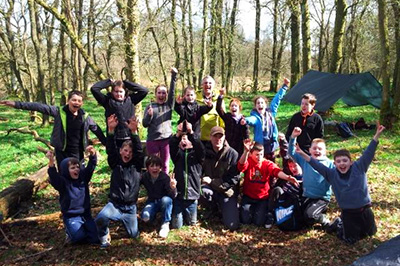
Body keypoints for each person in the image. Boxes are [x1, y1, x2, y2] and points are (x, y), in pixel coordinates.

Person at [295, 123, 385, 244]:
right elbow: (315, 164)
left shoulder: (359, 167)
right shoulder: (331, 174)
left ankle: (349, 224)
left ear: (351, 162)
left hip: (365, 211)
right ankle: (339, 224)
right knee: (350, 240)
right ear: (334, 164)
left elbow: (369, 152)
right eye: (338, 161)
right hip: (348, 213)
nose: (342, 164)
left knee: (370, 234)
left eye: (345, 161)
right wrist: (301, 153)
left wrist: (377, 135)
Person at [0, 91, 106, 168]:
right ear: (68, 101)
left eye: (79, 101)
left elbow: (97, 130)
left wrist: (107, 143)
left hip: (77, 153)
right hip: (62, 152)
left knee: (79, 177)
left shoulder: (85, 117)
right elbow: (38, 106)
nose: (76, 103)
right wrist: (16, 104)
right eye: (74, 100)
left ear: (82, 103)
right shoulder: (58, 112)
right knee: (64, 177)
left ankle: (80, 198)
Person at [95, 114, 144, 247]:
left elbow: (139, 150)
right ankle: (104, 236)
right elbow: (111, 150)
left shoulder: (137, 166)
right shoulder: (115, 163)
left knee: (134, 235)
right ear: (121, 151)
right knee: (100, 218)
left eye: (130, 152)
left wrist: (134, 132)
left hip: (130, 208)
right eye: (125, 151)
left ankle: (128, 223)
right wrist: (110, 131)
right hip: (114, 205)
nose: (127, 154)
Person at [238, 139, 299, 228]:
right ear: (251, 154)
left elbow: (276, 171)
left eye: (261, 154)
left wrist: (287, 177)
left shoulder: (267, 163)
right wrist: (246, 152)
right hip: (248, 197)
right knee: (245, 220)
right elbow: (241, 166)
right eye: (257, 155)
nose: (259, 157)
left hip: (262, 198)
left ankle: (265, 212)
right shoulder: (249, 161)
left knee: (258, 222)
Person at [46, 146, 99, 244]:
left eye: (77, 167)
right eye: (72, 168)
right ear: (66, 170)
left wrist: (93, 154)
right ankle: (70, 232)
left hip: (85, 214)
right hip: (71, 216)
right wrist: (51, 161)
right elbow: (53, 176)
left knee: (95, 239)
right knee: (79, 238)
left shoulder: (83, 177)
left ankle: (85, 228)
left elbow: (91, 167)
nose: (76, 170)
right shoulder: (63, 183)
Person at [289, 127, 334, 228]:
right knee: (301, 218)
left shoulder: (330, 164)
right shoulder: (305, 160)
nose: (317, 150)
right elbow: (291, 153)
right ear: (309, 150)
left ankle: (324, 219)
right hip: (307, 196)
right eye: (314, 148)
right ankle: (314, 211)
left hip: (321, 198)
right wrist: (293, 137)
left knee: (311, 215)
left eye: (320, 149)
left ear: (325, 151)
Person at [201, 126, 240, 231]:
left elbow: (233, 179)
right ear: (210, 137)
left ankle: (225, 208)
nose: (218, 139)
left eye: (220, 137)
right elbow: (199, 172)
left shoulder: (233, 154)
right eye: (215, 137)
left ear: (224, 138)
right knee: (203, 191)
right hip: (209, 189)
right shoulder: (204, 152)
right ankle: (212, 209)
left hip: (226, 191)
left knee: (232, 225)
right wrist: (203, 181)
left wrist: (213, 182)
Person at [90, 76, 148, 147]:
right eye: (116, 91)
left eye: (121, 92)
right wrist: (109, 82)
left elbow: (144, 91)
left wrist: (126, 83)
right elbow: (94, 89)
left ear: (125, 92)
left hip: (129, 137)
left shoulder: (131, 100)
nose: (118, 94)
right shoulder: (107, 101)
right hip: (114, 138)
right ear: (112, 92)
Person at [169, 121, 205, 229]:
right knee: (177, 226)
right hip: (179, 197)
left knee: (191, 224)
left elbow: (200, 147)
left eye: (187, 138)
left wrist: (191, 133)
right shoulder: (177, 156)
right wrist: (178, 134)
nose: (184, 140)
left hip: (192, 197)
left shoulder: (198, 157)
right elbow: (172, 145)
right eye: (182, 139)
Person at [243, 78, 289, 161]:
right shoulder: (255, 117)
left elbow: (276, 100)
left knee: (271, 164)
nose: (260, 104)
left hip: (270, 145)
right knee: (259, 164)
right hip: (260, 145)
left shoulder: (271, 113)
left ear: (265, 105)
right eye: (258, 103)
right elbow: (251, 119)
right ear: (255, 106)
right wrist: (245, 120)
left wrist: (284, 87)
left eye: (262, 103)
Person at [143, 67, 178, 173]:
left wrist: (173, 77)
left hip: (166, 140)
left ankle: (165, 184)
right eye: (159, 92)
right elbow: (145, 124)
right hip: (153, 140)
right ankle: (153, 184)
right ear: (155, 94)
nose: (161, 95)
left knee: (165, 165)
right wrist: (149, 116)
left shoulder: (169, 105)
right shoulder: (150, 106)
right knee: (153, 164)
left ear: (166, 95)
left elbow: (172, 92)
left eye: (164, 93)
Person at [140, 155, 177, 238]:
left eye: (157, 166)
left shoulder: (164, 177)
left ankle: (165, 223)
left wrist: (173, 188)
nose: (154, 168)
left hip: (163, 201)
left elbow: (172, 196)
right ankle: (153, 220)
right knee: (145, 216)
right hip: (152, 201)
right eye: (152, 166)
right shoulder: (145, 177)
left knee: (166, 200)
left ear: (160, 167)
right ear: (147, 168)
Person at [216, 87, 249, 156]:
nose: (233, 107)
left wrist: (247, 142)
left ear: (239, 108)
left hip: (239, 145)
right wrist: (221, 96)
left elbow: (246, 133)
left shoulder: (243, 119)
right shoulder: (227, 117)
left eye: (235, 106)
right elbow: (219, 109)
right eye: (232, 106)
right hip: (228, 144)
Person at [197, 76, 225, 142]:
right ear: (202, 85)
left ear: (213, 85)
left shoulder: (219, 98)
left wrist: (222, 131)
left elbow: (222, 116)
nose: (208, 85)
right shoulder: (195, 97)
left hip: (215, 136)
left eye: (210, 83)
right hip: (199, 135)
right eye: (205, 83)